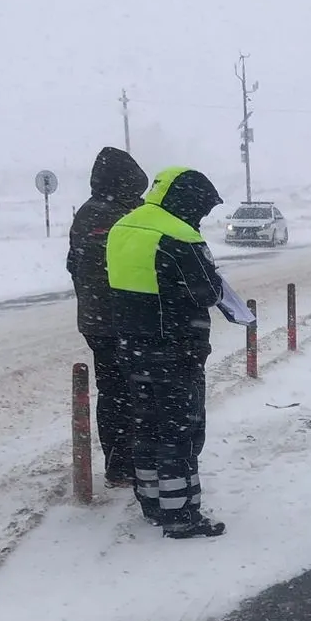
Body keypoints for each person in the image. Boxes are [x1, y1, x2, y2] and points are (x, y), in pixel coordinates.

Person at [105, 165, 228, 538]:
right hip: (176, 350)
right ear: (187, 201)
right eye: (202, 209)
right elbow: (208, 292)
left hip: (131, 348)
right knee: (180, 433)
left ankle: (152, 504)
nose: (202, 217)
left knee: (146, 426)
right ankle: (181, 515)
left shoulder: (123, 226)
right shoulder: (178, 235)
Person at [66, 146, 149, 487]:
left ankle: (121, 463)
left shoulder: (88, 213)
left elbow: (75, 265)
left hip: (97, 320)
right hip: (121, 320)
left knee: (114, 390)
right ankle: (128, 464)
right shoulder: (115, 216)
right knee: (129, 392)